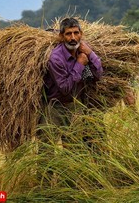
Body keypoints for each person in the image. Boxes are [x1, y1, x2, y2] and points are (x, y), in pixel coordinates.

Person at [38, 17, 104, 164]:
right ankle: (44, 184)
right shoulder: (56, 58)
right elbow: (65, 88)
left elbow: (98, 76)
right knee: (46, 149)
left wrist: (90, 54)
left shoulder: (84, 51)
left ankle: (71, 184)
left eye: (76, 33)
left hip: (76, 106)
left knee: (74, 150)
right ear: (61, 36)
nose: (73, 38)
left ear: (81, 33)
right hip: (55, 107)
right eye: (68, 34)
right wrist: (80, 64)